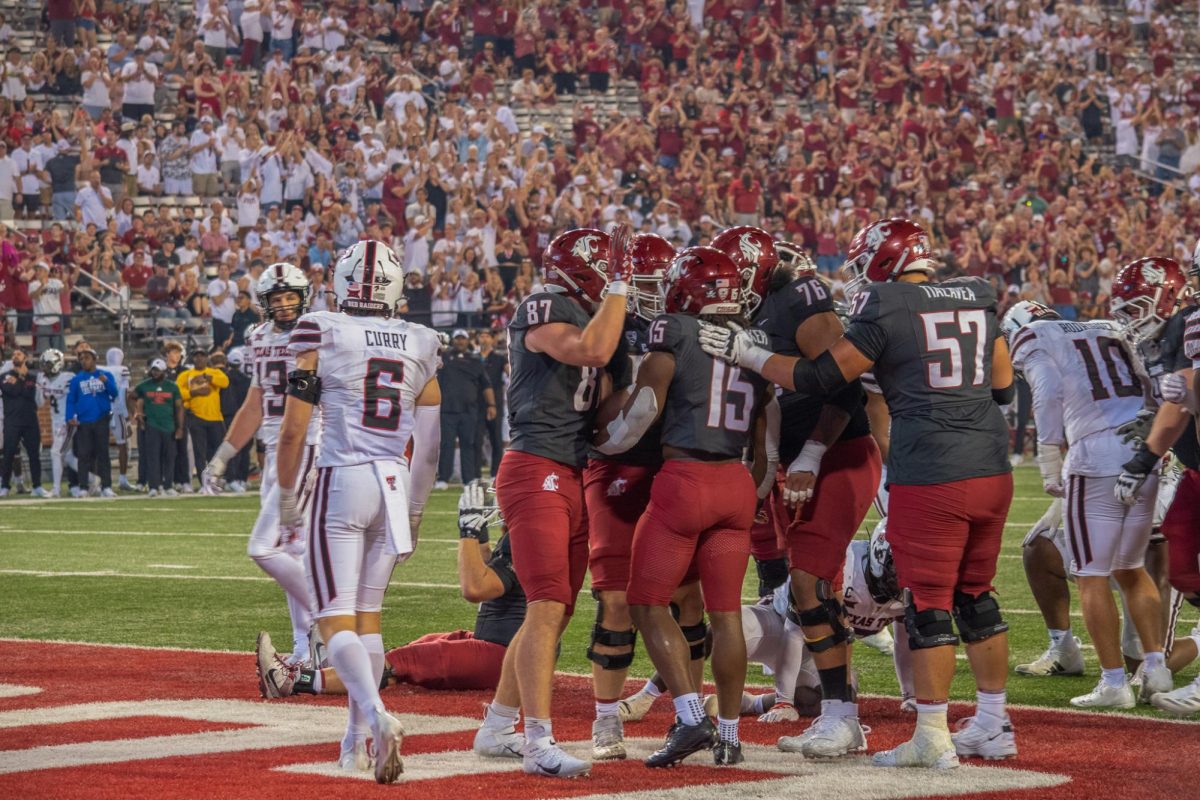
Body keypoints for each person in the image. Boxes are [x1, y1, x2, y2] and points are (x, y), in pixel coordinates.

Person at [701, 218, 1016, 769]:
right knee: (976, 597)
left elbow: (829, 378)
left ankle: (927, 734)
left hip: (928, 466)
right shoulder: (978, 294)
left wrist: (750, 358)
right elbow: (1003, 386)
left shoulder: (880, 302)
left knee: (928, 605)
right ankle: (991, 722)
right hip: (989, 461)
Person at [595, 245, 774, 768]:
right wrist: (756, 491)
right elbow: (766, 438)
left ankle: (692, 716)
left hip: (686, 480)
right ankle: (732, 735)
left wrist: (599, 446)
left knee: (647, 602)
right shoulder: (752, 343)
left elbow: (639, 418)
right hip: (737, 482)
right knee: (726, 617)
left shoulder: (672, 332)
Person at [275, 239, 442, 784]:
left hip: (342, 477)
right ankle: (355, 742)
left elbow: (295, 429)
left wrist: (283, 496)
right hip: (393, 483)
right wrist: (414, 512)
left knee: (332, 616)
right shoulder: (421, 339)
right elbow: (431, 443)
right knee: (366, 618)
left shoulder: (320, 328)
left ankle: (376, 717)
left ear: (341, 282)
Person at [472, 227, 630, 779]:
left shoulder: (589, 313)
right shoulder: (545, 304)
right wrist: (619, 289)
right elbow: (590, 349)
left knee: (557, 611)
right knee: (542, 607)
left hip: (572, 469)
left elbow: (606, 394)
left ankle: (496, 725)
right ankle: (538, 741)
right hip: (535, 466)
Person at [718, 228, 881, 758]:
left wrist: (811, 453)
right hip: (799, 462)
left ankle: (844, 717)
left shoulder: (799, 297)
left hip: (838, 454)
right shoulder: (754, 312)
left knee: (809, 583)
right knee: (808, 586)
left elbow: (845, 383)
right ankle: (836, 706)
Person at [1003, 300, 1166, 708]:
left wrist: (1048, 461)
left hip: (1096, 455)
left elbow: (1047, 391)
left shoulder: (1034, 337)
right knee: (1130, 568)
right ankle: (1156, 669)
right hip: (1145, 449)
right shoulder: (1107, 326)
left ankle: (1113, 682)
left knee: (1091, 574)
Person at [256, 481, 525, 697]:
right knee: (421, 645)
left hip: (502, 653)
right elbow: (492, 568)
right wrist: (481, 535)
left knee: (400, 660)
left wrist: (467, 532)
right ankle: (350, 671)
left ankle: (294, 680)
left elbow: (475, 588)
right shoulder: (526, 533)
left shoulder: (525, 539)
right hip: (501, 645)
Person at [581, 232, 673, 761]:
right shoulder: (608, 328)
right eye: (645, 284)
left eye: (662, 284)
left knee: (685, 600)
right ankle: (605, 717)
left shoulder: (685, 327)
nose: (655, 294)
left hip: (673, 467)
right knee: (615, 597)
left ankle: (687, 713)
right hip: (615, 465)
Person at [203, 262, 321, 668]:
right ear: (265, 304)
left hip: (306, 444)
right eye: (278, 298)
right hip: (275, 449)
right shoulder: (257, 337)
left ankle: (333, 617)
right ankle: (307, 648)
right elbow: (254, 403)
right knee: (292, 549)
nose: (286, 305)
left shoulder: (318, 332)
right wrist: (223, 455)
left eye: (291, 297)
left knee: (262, 547)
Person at [1106, 256, 1200, 712]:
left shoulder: (1189, 324)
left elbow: (1183, 394)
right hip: (1193, 468)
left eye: (1137, 306)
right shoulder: (1175, 328)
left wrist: (1145, 456)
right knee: (1185, 568)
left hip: (1187, 463)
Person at [435, 329, 495, 488]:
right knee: (447, 444)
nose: (460, 341)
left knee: (468, 443)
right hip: (447, 409)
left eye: (463, 339)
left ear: (468, 341)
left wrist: (492, 405)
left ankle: (468, 479)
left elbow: (485, 384)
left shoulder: (475, 360)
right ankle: (443, 478)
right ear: (453, 340)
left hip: (469, 410)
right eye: (457, 339)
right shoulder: (445, 357)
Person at [65, 345, 118, 497]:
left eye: (87, 358)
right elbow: (71, 400)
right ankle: (83, 487)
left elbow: (114, 394)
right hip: (83, 421)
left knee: (103, 454)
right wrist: (69, 417)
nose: (83, 361)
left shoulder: (106, 374)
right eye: (81, 359)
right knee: (83, 455)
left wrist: (106, 382)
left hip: (101, 419)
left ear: (95, 359)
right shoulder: (76, 379)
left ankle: (106, 487)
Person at [176, 346, 229, 484]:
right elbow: (177, 394)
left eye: (202, 355)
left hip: (215, 418)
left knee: (217, 453)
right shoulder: (185, 375)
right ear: (192, 358)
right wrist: (194, 393)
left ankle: (216, 479)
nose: (199, 358)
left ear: (207, 358)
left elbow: (225, 382)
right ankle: (204, 482)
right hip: (195, 417)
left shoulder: (214, 372)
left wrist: (207, 377)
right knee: (200, 453)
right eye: (196, 355)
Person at [132, 358, 183, 497]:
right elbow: (131, 396)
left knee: (170, 457)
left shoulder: (172, 386)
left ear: (164, 371)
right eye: (154, 370)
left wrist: (180, 428)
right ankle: (153, 486)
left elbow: (179, 407)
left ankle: (168, 486)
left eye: (158, 371)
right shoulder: (144, 386)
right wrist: (136, 412)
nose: (155, 373)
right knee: (153, 457)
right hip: (152, 425)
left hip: (169, 425)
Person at [0, 347, 42, 496]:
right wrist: (22, 381)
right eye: (13, 354)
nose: (15, 356)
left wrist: (19, 382)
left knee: (34, 454)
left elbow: (31, 395)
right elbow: (13, 391)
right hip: (12, 421)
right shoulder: (4, 376)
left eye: (18, 354)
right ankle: (4, 486)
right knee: (9, 454)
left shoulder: (34, 376)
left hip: (30, 420)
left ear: (26, 357)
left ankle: (37, 486)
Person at [35, 348, 77, 497]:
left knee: (55, 452)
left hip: (67, 422)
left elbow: (76, 399)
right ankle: (93, 480)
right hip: (55, 423)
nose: (44, 368)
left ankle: (56, 489)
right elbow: (39, 403)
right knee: (67, 456)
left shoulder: (69, 377)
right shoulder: (43, 378)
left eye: (47, 364)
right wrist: (39, 388)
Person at [477, 329, 507, 475]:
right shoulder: (473, 357)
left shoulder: (499, 358)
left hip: (495, 402)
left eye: (487, 336)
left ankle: (496, 472)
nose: (484, 339)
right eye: (482, 336)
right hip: (476, 403)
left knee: (496, 439)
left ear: (492, 339)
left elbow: (511, 374)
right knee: (476, 439)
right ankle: (474, 474)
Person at [104, 347, 134, 491]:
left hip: (102, 410)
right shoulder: (123, 370)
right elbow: (123, 394)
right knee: (123, 445)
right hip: (117, 410)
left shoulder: (100, 369)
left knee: (99, 446)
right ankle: (122, 478)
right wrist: (127, 417)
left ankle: (101, 480)